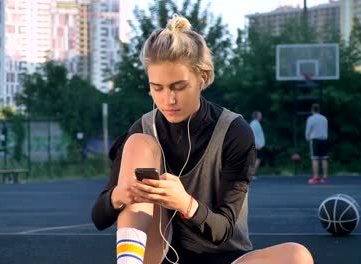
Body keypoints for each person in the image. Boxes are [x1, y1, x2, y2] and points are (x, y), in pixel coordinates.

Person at [91, 14, 313, 264]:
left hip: (224, 258)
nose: (168, 99)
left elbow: (223, 230)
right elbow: (99, 217)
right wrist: (119, 196)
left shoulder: (234, 132)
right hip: (159, 256)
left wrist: (185, 203)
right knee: (139, 143)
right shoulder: (142, 128)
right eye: (158, 88)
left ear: (203, 78)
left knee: (297, 256)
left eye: (179, 86)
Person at [305, 103, 329, 184]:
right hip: (324, 139)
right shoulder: (324, 118)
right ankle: (325, 177)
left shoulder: (311, 119)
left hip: (315, 139)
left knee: (315, 158)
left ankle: (315, 177)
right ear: (319, 109)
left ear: (312, 110)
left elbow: (308, 130)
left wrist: (308, 138)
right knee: (324, 158)